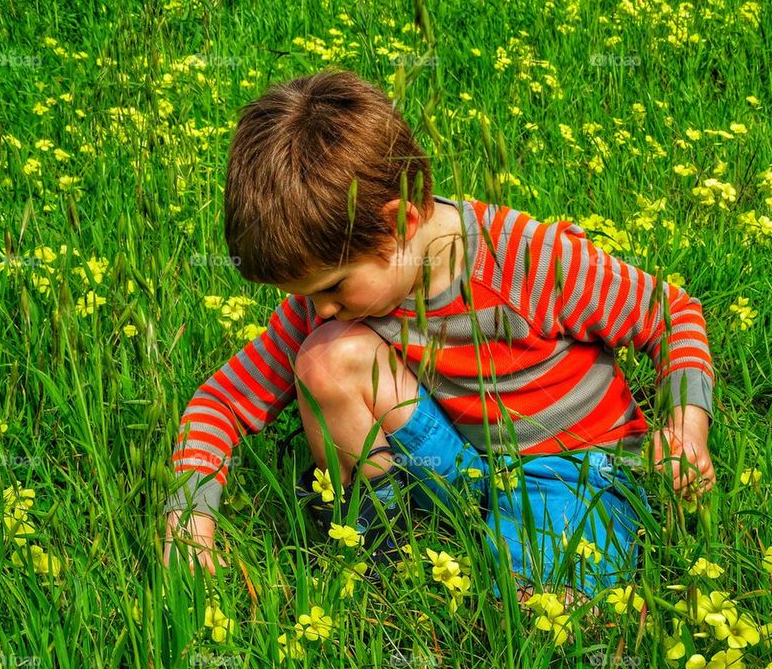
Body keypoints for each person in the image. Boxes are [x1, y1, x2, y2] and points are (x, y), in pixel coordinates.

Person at [161, 69, 716, 609]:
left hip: (573, 467)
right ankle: (378, 542)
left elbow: (672, 316)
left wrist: (685, 428)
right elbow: (222, 401)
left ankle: (551, 570)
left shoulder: (526, 260)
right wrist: (189, 518)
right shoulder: (341, 289)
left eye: (332, 289)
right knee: (327, 358)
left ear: (400, 222)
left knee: (536, 615)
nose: (320, 310)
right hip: (461, 463)